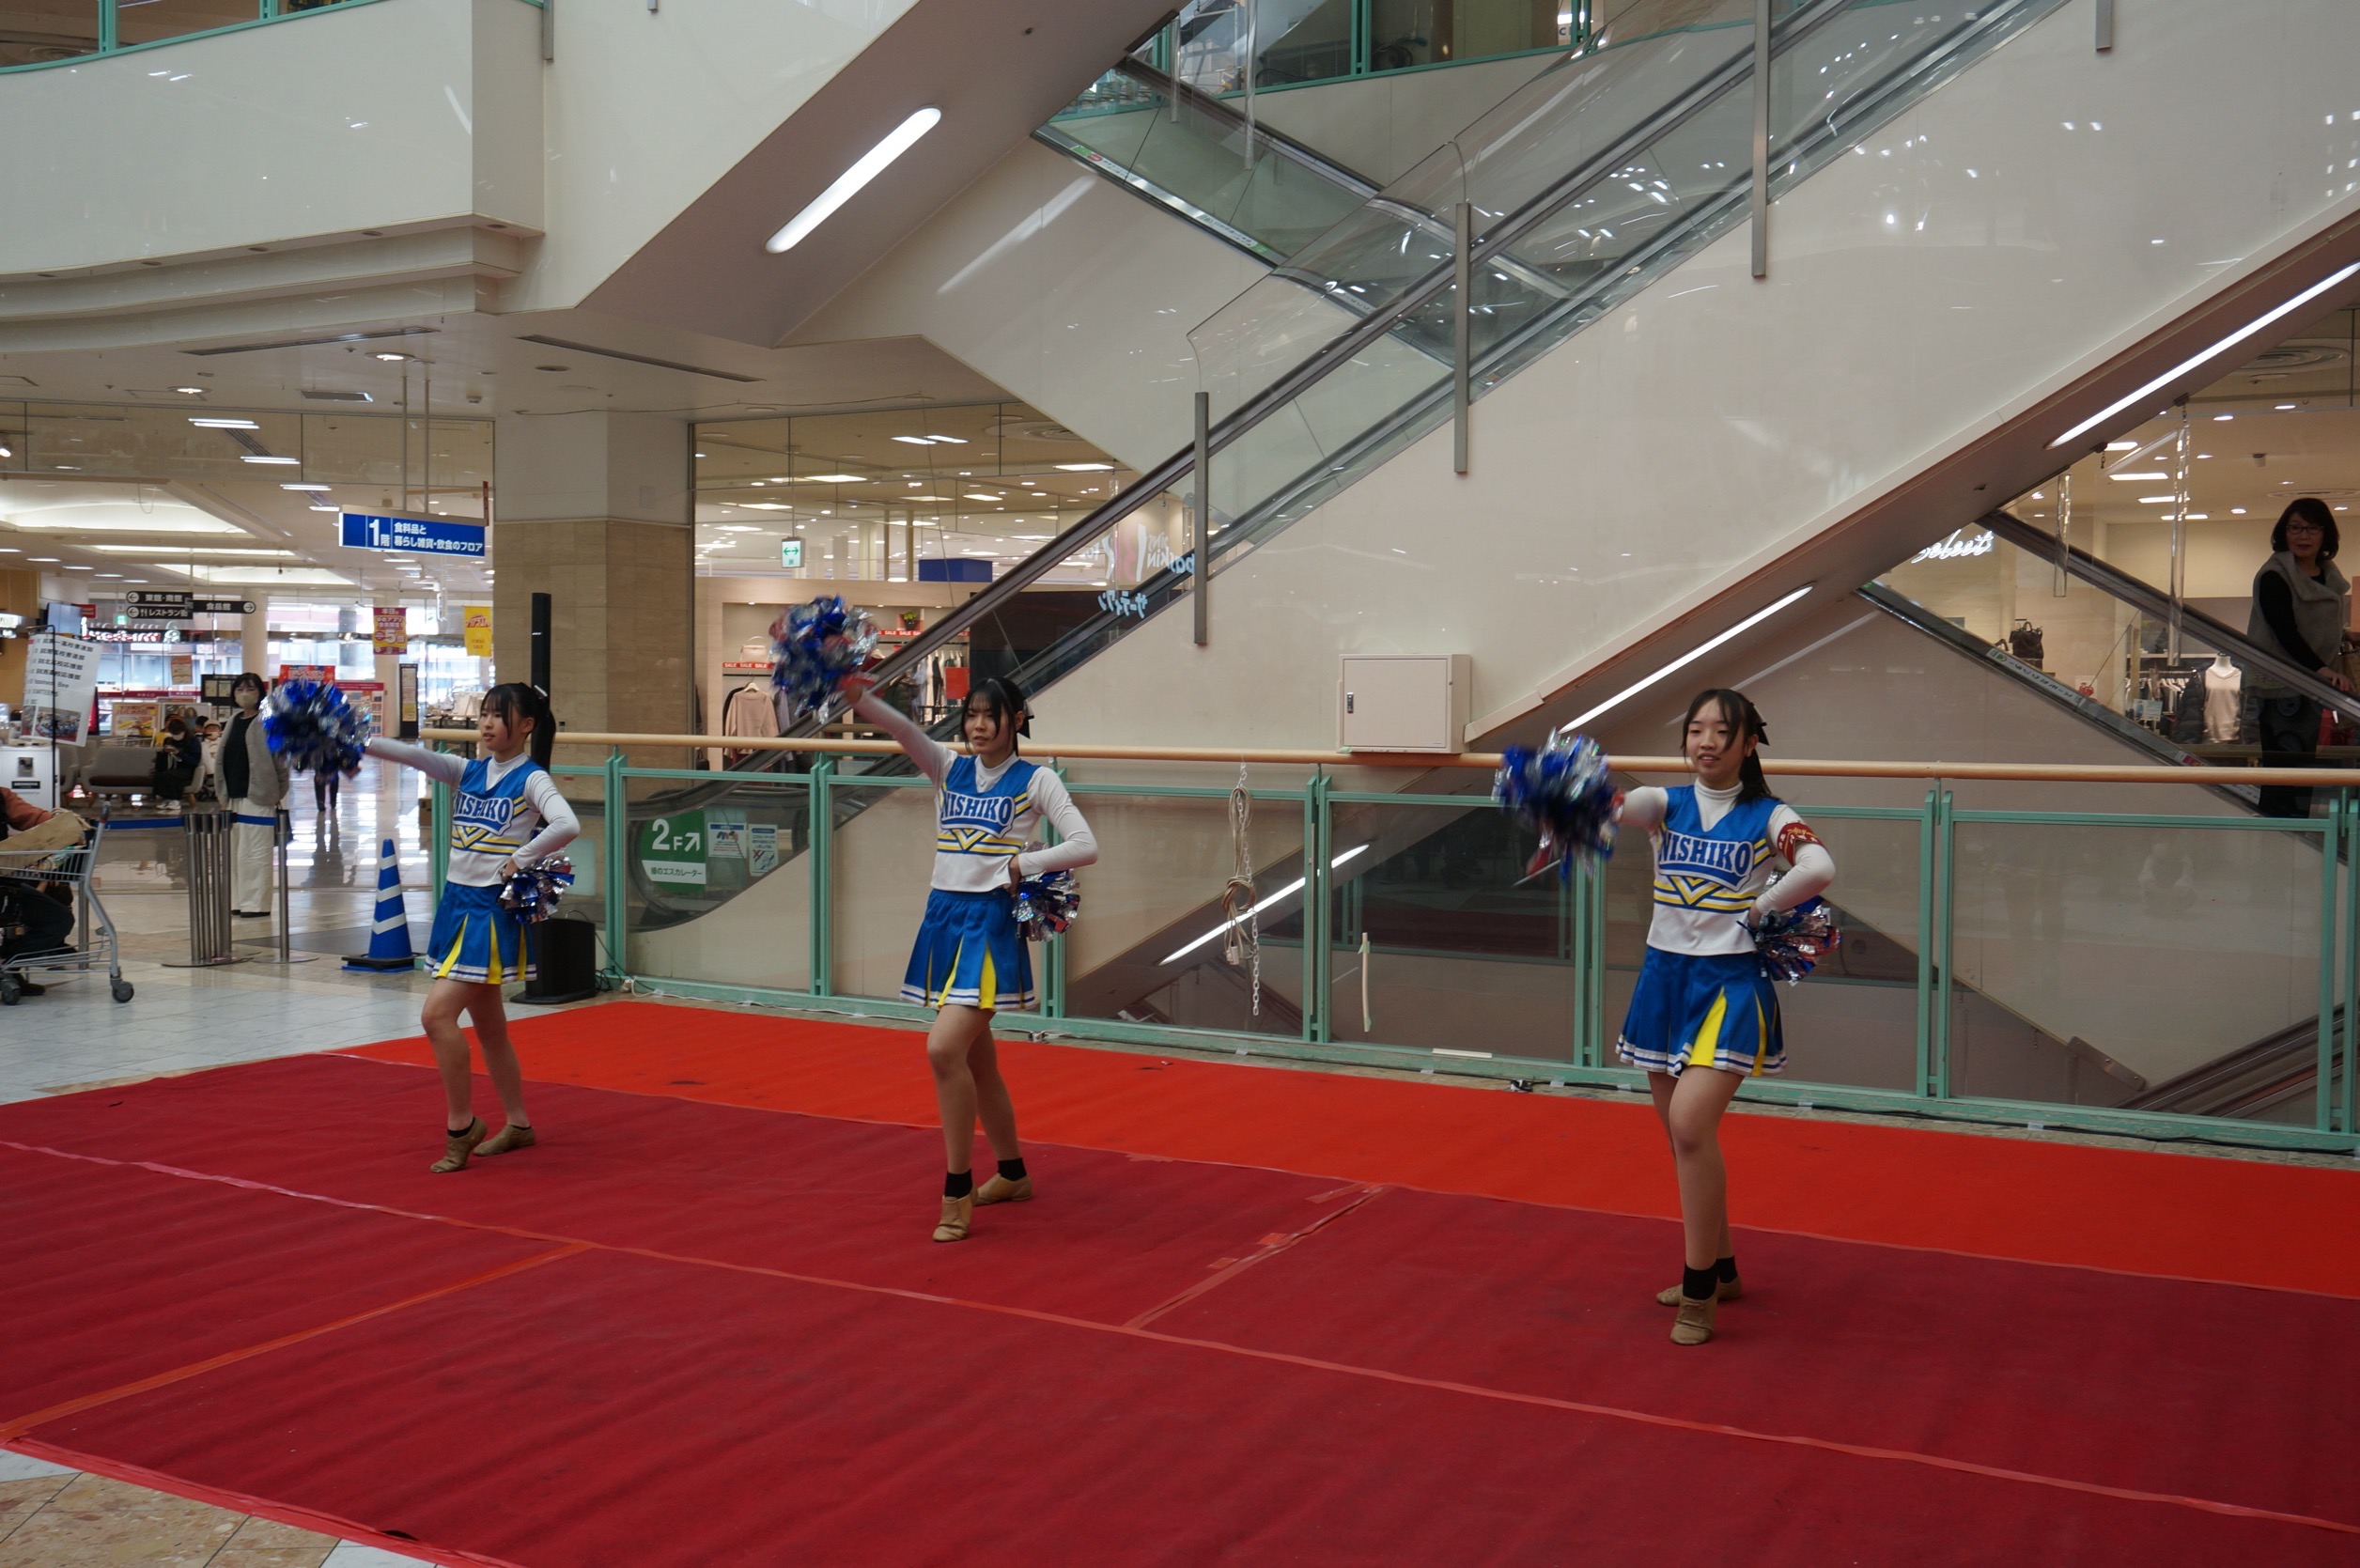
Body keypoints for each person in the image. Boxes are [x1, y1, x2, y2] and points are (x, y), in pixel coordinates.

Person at [1605, 690, 1835, 1346]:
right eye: (1696, 730)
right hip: (1663, 980)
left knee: (1688, 1124)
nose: (1706, 742)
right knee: (1686, 1139)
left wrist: (1762, 907)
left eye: (1722, 731)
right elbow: (1622, 807)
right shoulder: (1665, 803)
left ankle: (1699, 1289)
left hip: (1730, 985)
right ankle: (1725, 1269)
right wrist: (1574, 795)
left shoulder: (1769, 814)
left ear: (1749, 743)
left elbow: (1820, 865)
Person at [847, 672, 1098, 1243]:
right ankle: (1012, 1174)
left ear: (1017, 720)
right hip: (943, 920)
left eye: (991, 715)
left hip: (989, 925)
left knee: (942, 1050)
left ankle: (956, 1189)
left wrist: (1023, 864)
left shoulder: (1037, 779)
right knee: (977, 1063)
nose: (979, 726)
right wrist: (858, 697)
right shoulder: (947, 766)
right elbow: (902, 729)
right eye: (972, 715)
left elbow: (1086, 845)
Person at [364, 684, 579, 1172]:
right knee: (490, 1029)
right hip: (456, 903)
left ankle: (461, 1126)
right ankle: (519, 1124)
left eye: (498, 716)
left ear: (526, 725)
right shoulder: (469, 770)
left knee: (436, 1017)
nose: (486, 724)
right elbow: (412, 756)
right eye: (483, 714)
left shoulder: (531, 778)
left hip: (489, 911)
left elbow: (567, 824)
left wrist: (521, 857)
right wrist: (355, 741)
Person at [2247, 497, 2353, 817]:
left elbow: (2317, 629)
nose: (2303, 536)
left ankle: (2299, 836)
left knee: (2305, 769)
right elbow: (2285, 632)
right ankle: (2282, 836)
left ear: (2325, 534)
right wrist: (2320, 668)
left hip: (2314, 687)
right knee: (2286, 772)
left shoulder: (2328, 576)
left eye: (2312, 528)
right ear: (2284, 532)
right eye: (2295, 528)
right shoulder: (2275, 575)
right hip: (2281, 687)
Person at [221, 675, 289, 918]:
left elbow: (281, 761)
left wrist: (277, 792)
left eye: (250, 689)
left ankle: (256, 904)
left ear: (260, 692)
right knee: (236, 852)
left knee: (256, 852)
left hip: (259, 796)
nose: (244, 693)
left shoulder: (269, 721)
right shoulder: (232, 721)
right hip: (233, 796)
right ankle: (239, 900)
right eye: (239, 689)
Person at [0, 787, 76, 998]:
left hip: (6, 885)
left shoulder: (2, 796)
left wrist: (60, 822)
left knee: (58, 919)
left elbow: (31, 817)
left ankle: (9, 968)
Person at [151, 715, 201, 801]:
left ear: (184, 731)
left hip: (187, 769)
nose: (176, 735)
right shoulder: (169, 740)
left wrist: (179, 753)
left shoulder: (193, 741)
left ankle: (173, 800)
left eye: (178, 733)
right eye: (173, 733)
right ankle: (164, 798)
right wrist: (165, 752)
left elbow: (194, 761)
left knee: (169, 776)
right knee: (159, 775)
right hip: (172, 767)